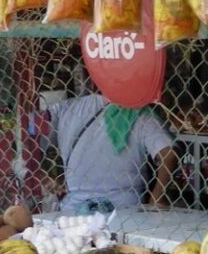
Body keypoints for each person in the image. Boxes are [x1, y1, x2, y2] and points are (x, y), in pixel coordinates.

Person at [45, 89, 178, 214]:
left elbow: (32, 134)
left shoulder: (66, 109)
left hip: (73, 211)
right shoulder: (140, 114)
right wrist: (158, 197)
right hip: (124, 210)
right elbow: (169, 154)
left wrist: (44, 175)